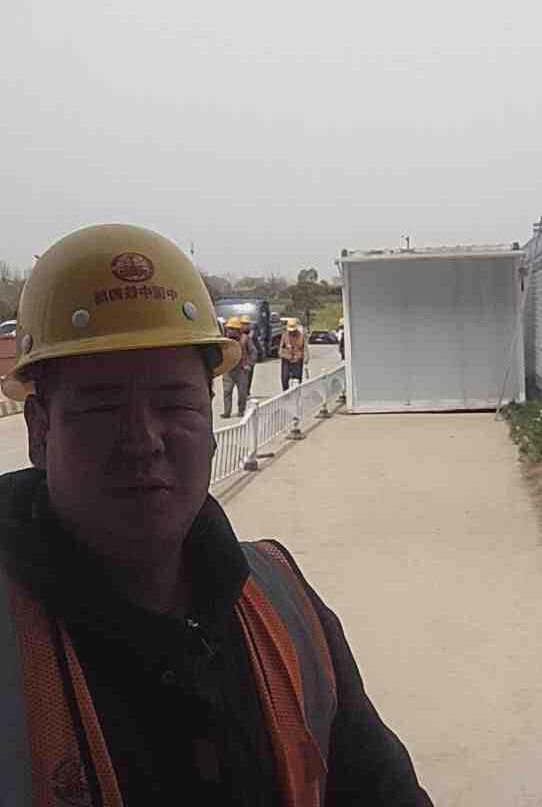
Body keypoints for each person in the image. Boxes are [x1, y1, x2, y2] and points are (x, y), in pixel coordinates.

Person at [0, 224, 433, 806]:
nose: (143, 440)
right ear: (39, 431)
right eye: (102, 407)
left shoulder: (284, 607)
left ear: (209, 421)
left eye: (175, 403)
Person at [221, 317, 250, 418]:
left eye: (232, 329)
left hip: (241, 370)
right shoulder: (224, 340)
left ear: (238, 330)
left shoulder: (245, 339)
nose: (230, 331)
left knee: (242, 392)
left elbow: (253, 352)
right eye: (229, 328)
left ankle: (241, 410)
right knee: (227, 392)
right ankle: (227, 412)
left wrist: (249, 364)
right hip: (228, 370)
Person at [279, 317, 307, 391]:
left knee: (297, 378)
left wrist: (302, 358)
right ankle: (285, 392)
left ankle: (297, 392)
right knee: (284, 378)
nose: (292, 332)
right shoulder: (285, 335)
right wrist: (286, 354)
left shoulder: (301, 336)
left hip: (298, 360)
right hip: (286, 360)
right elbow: (281, 349)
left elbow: (304, 348)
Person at [240, 315, 259, 395]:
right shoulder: (238, 333)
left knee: (249, 376)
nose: (245, 326)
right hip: (241, 359)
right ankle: (243, 391)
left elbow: (257, 345)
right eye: (243, 324)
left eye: (247, 324)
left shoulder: (252, 334)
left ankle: (247, 391)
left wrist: (252, 360)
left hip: (249, 358)